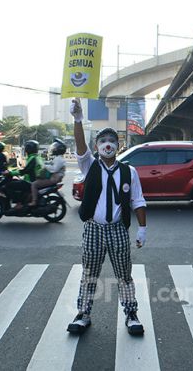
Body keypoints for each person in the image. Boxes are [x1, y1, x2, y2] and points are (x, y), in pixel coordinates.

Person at [66, 98, 147, 336]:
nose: (107, 144)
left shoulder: (128, 171)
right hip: (93, 229)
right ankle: (83, 314)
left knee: (124, 273)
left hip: (118, 230)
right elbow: (81, 146)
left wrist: (142, 229)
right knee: (89, 273)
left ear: (119, 146)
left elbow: (138, 200)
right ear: (97, 145)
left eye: (112, 140)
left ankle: (131, 314)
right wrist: (78, 119)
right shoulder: (89, 165)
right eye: (103, 141)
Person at [4, 140, 45, 211]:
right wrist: (12, 171)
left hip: (30, 181)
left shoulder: (33, 158)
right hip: (34, 180)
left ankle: (19, 203)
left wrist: (10, 173)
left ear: (28, 149)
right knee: (15, 181)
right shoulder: (37, 157)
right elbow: (25, 169)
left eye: (26, 147)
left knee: (9, 185)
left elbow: (24, 171)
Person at [28, 138, 67, 206]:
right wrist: (45, 163)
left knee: (34, 184)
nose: (53, 149)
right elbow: (50, 163)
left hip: (53, 179)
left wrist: (45, 165)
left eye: (55, 148)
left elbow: (54, 169)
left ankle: (34, 201)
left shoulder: (59, 159)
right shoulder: (58, 158)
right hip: (53, 178)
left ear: (58, 149)